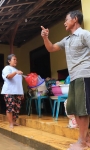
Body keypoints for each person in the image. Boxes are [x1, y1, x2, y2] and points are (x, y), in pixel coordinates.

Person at [41, 10, 90, 150]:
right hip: (74, 77)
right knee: (73, 108)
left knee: (82, 109)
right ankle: (86, 139)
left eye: (66, 19)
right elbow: (51, 48)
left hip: (84, 74)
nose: (64, 22)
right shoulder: (67, 40)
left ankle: (81, 142)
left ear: (75, 19)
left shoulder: (85, 34)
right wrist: (45, 37)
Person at [1, 54, 24, 128]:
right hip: (9, 91)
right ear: (9, 61)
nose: (16, 61)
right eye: (14, 59)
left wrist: (22, 92)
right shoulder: (6, 68)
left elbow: (19, 82)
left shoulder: (17, 70)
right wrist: (16, 73)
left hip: (18, 92)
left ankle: (14, 122)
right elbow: (8, 77)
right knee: (10, 107)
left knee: (16, 108)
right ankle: (10, 123)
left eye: (16, 60)